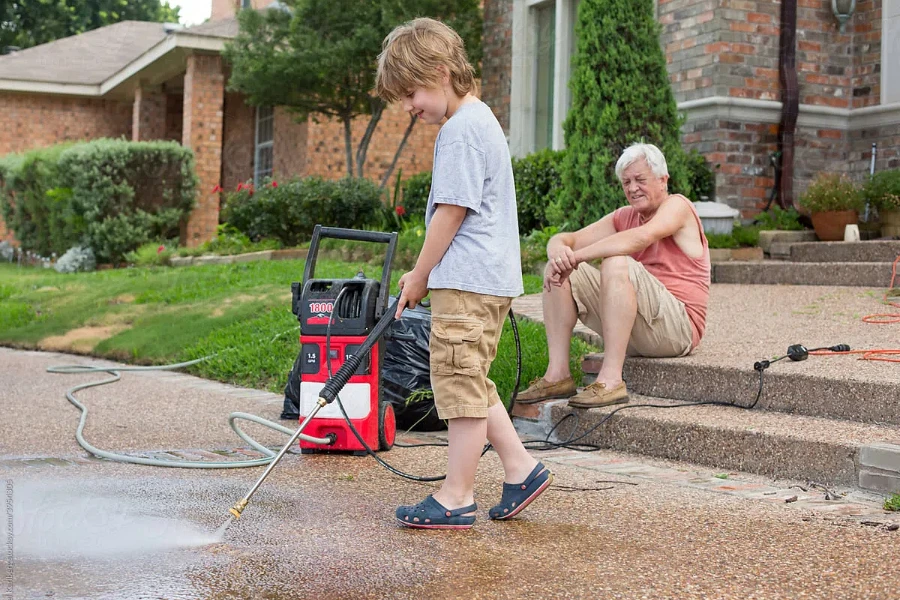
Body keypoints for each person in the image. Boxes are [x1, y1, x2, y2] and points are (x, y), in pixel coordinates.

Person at [375, 17, 552, 529]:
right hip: (481, 278)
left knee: (458, 382)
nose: (409, 107)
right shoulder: (478, 120)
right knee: (469, 376)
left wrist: (419, 273)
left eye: (411, 92)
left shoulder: (461, 130)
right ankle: (521, 468)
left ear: (441, 70)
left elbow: (450, 212)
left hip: (469, 281)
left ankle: (456, 496)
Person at [517, 143, 711, 409]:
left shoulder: (678, 206)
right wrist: (559, 253)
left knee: (616, 262)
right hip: (637, 329)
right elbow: (566, 239)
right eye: (626, 182)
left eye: (640, 180)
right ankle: (557, 375)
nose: (632, 188)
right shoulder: (625, 216)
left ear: (663, 179)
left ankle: (610, 381)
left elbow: (640, 238)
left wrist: (578, 256)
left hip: (677, 330)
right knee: (562, 269)